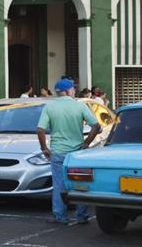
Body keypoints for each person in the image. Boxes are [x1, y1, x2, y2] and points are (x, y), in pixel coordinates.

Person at [37, 78, 102, 225]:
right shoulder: (80, 106)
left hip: (58, 152)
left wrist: (44, 148)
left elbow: (40, 129)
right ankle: (82, 216)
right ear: (67, 91)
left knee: (59, 185)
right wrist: (86, 143)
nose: (74, 91)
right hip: (77, 153)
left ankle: (60, 216)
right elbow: (96, 126)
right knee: (80, 185)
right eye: (72, 89)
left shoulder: (50, 107)